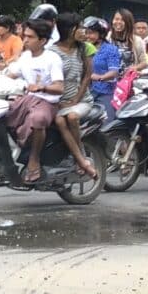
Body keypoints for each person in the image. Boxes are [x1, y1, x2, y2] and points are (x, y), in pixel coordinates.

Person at [1, 17, 63, 181]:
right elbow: (12, 74)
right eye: (25, 36)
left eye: (30, 37)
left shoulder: (52, 58)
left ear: (42, 40)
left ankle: (34, 160)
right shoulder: (25, 57)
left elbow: (59, 88)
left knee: (38, 119)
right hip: (27, 99)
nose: (25, 40)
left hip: (47, 102)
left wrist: (42, 87)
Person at [49, 13, 98, 178]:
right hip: (59, 102)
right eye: (80, 27)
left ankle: (81, 157)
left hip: (82, 100)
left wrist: (76, 99)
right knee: (59, 120)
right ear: (70, 30)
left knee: (71, 117)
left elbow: (87, 76)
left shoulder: (83, 48)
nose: (84, 31)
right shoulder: (52, 52)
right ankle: (77, 157)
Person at [89, 14, 126, 109]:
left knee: (107, 120)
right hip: (87, 92)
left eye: (91, 33)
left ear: (101, 34)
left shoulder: (111, 49)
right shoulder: (83, 48)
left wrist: (99, 77)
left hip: (106, 92)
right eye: (86, 33)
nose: (88, 36)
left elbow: (113, 72)